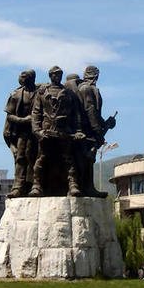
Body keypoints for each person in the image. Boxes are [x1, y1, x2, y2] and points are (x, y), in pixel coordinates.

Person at [30, 66, 85, 197]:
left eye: (60, 74)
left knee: (68, 159)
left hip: (64, 131)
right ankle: (36, 185)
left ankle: (73, 185)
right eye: (55, 74)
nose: (57, 76)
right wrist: (37, 131)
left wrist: (78, 130)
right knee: (42, 158)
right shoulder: (42, 92)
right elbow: (36, 113)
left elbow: (76, 114)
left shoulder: (69, 93)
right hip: (47, 131)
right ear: (50, 76)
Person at [77, 66, 116, 197]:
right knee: (86, 159)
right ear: (96, 76)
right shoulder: (86, 88)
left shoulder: (85, 88)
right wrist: (98, 131)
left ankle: (88, 187)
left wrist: (106, 123)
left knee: (89, 159)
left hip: (89, 129)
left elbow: (95, 113)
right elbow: (90, 111)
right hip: (86, 130)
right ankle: (86, 188)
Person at [3, 70, 38, 197]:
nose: (21, 79)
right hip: (23, 132)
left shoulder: (40, 92)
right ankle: (18, 187)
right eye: (21, 77)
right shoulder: (16, 95)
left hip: (38, 132)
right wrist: (23, 120)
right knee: (21, 158)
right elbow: (10, 116)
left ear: (31, 78)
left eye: (23, 77)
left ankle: (35, 186)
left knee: (37, 159)